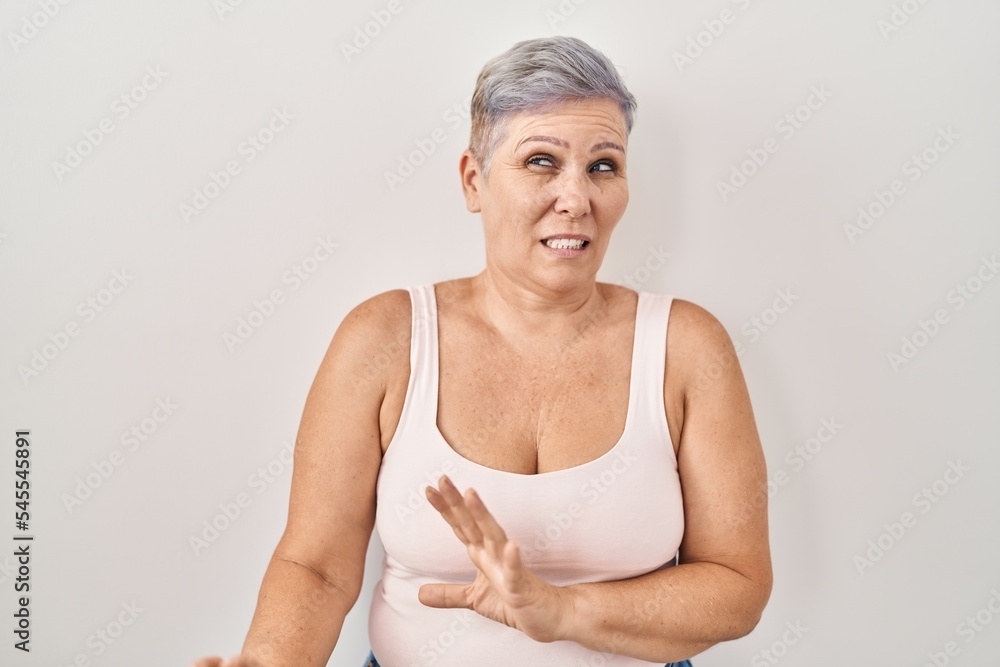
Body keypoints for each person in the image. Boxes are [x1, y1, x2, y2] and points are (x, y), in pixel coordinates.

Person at [192, 35, 771, 667]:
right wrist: (264, 663)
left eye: (603, 166)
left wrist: (563, 611)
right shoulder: (384, 339)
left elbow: (737, 585)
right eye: (541, 162)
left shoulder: (687, 348)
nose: (576, 199)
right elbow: (318, 566)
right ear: (474, 179)